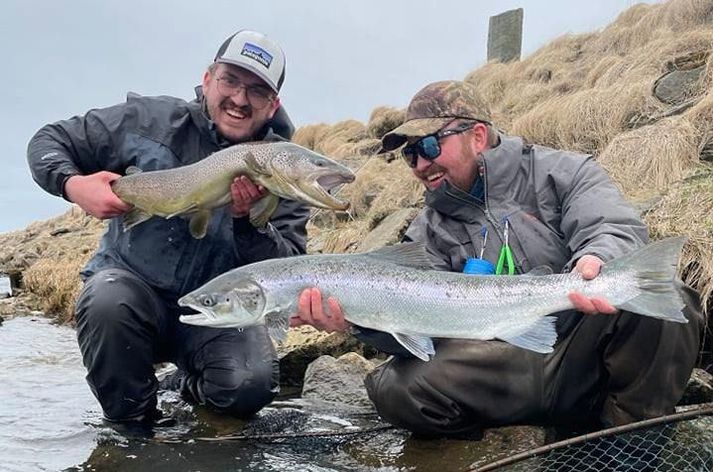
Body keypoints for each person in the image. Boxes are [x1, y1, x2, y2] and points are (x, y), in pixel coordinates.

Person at [290, 80, 702, 437]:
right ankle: (512, 439)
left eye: (430, 145)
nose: (420, 164)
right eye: (410, 154)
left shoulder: (563, 172)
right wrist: (356, 320)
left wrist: (596, 257)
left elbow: (612, 225)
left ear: (479, 136)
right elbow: (417, 331)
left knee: (664, 302)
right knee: (393, 388)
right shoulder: (425, 232)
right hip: (504, 367)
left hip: (583, 347)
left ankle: (625, 440)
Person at [27, 30, 309, 428]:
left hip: (216, 311)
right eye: (231, 80)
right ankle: (133, 430)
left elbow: (289, 269)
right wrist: (73, 185)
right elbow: (48, 141)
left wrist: (248, 221)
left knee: (250, 383)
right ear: (208, 78)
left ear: (273, 104)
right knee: (107, 302)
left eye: (257, 91)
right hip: (131, 294)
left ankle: (181, 386)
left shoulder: (285, 172)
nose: (240, 100)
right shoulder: (148, 120)